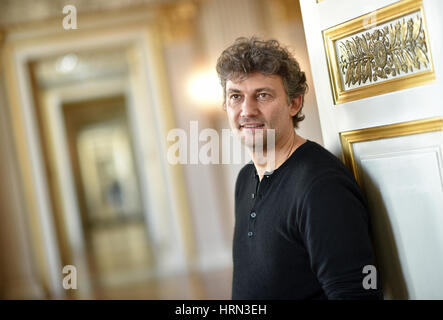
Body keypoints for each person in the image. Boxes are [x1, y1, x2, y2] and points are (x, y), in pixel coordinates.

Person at [216, 37, 382, 299]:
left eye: (262, 95)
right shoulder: (245, 178)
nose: (246, 110)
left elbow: (357, 293)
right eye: (235, 96)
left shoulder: (322, 186)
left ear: (294, 103)